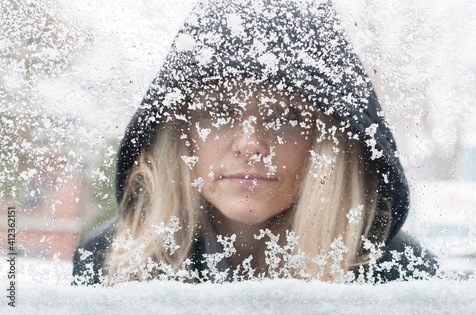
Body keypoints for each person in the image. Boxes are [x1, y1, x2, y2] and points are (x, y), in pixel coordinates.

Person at [73, 0, 437, 285]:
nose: (250, 144)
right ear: (179, 135)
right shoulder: (112, 263)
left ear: (331, 142)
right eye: (217, 111)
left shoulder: (397, 274)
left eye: (289, 117)